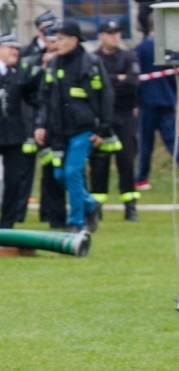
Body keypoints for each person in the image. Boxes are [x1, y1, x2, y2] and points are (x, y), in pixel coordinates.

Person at [34, 20, 112, 233]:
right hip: (59, 131)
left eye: (60, 39)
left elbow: (106, 96)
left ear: (74, 40)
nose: (56, 43)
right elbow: (44, 98)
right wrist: (41, 124)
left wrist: (102, 129)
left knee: (72, 173)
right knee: (60, 175)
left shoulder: (91, 63)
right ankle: (90, 205)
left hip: (83, 129)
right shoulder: (53, 65)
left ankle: (76, 222)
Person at [134, 16, 179, 191]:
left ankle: (142, 179)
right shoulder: (170, 49)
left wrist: (135, 101)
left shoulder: (141, 49)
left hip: (147, 101)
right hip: (167, 99)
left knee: (145, 142)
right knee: (172, 138)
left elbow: (135, 77)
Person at [90, 20, 141, 222]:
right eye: (110, 33)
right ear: (101, 36)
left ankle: (130, 207)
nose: (115, 37)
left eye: (117, 33)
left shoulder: (129, 57)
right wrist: (116, 79)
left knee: (127, 161)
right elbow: (94, 87)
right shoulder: (93, 59)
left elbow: (132, 84)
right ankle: (96, 208)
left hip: (124, 116)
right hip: (101, 117)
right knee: (99, 165)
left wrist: (110, 82)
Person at [24, 24, 66, 229]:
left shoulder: (71, 60)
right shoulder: (37, 60)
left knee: (69, 172)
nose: (54, 45)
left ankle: (78, 213)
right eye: (51, 41)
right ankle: (51, 215)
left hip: (68, 123)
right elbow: (28, 88)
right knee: (50, 172)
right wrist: (42, 67)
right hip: (46, 122)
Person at [0, 34, 39, 229]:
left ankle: (7, 224)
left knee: (14, 180)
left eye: (17, 49)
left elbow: (34, 97)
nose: (15, 52)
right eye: (10, 48)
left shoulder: (19, 75)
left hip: (13, 135)